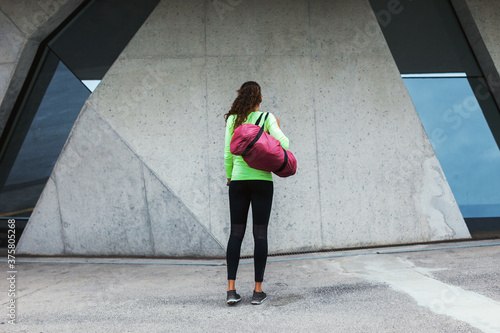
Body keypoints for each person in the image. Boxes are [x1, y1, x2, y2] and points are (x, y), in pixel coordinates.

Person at [224, 81, 289, 305]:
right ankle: (257, 291)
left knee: (235, 234)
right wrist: (275, 128)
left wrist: (230, 177)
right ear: (260, 99)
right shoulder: (268, 117)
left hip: (239, 183)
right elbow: (285, 143)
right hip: (262, 182)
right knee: (260, 234)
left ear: (240, 97)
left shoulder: (233, 120)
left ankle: (231, 290)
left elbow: (227, 154)